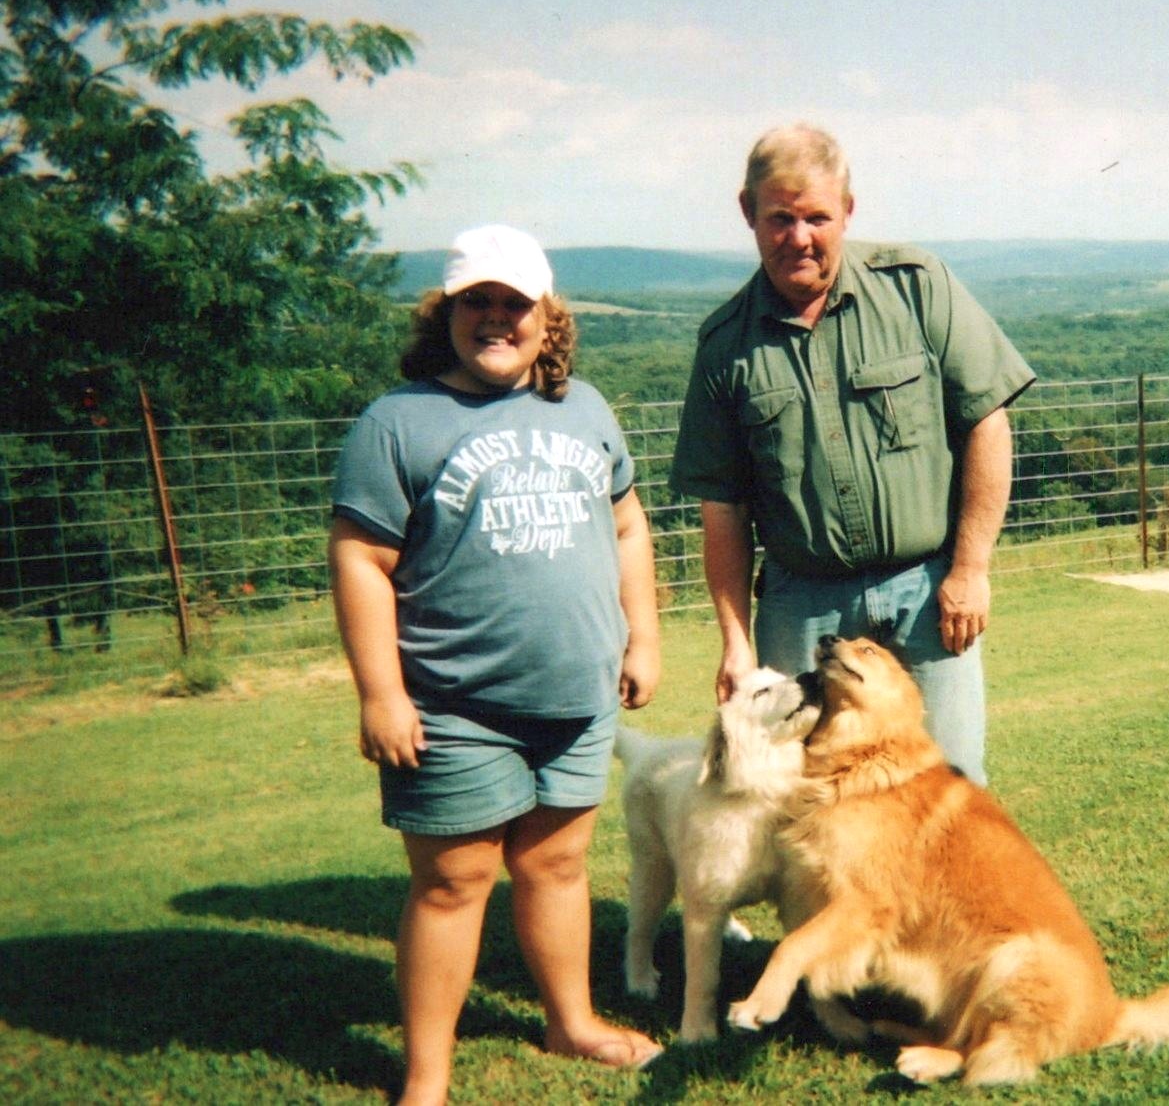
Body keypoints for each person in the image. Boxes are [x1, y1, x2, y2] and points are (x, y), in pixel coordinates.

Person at [328, 224, 662, 1104]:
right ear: (444, 314)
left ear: (548, 318)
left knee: (557, 864)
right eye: (475, 300)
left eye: (515, 303)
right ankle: (426, 1080)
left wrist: (643, 637)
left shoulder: (584, 408)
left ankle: (570, 1022)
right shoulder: (396, 422)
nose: (496, 318)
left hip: (579, 695)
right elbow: (360, 558)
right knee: (452, 881)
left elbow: (628, 524)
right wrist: (380, 693)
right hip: (453, 707)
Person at [670, 124, 1034, 786]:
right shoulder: (724, 347)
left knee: (947, 789)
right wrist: (736, 641)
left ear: (847, 210)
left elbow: (988, 419)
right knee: (803, 794)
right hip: (800, 603)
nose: (799, 237)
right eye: (779, 218)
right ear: (747, 212)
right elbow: (722, 509)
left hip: (927, 593)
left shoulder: (915, 286)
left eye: (817, 217)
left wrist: (971, 568)